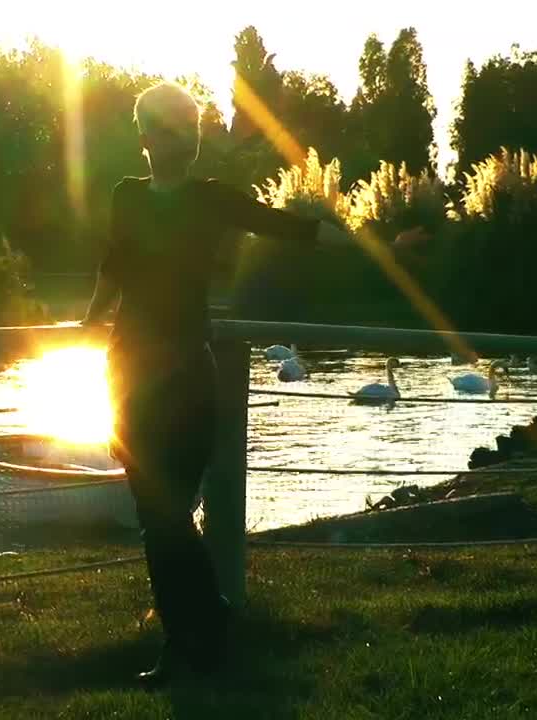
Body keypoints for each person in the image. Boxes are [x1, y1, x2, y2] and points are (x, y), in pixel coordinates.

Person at [80, 81, 351, 686]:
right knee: (158, 519)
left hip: (186, 376)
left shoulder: (210, 199)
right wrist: (89, 316)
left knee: (168, 514)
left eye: (190, 128)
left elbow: (290, 227)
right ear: (146, 136)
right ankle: (200, 630)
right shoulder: (127, 196)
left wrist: (377, 247)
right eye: (171, 127)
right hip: (127, 374)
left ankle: (195, 632)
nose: (184, 139)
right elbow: (114, 262)